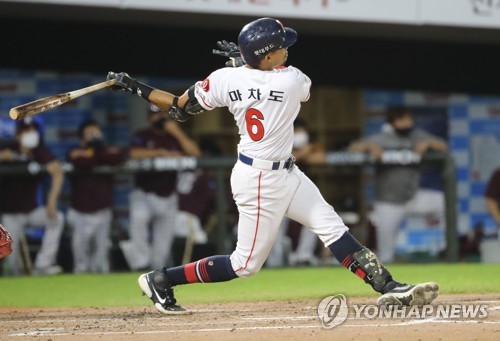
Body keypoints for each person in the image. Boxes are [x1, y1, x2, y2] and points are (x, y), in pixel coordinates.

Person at [107, 17, 439, 314]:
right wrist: (244, 63)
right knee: (244, 264)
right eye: (280, 48)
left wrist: (134, 85)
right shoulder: (292, 80)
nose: (287, 51)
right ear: (266, 57)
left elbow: (179, 107)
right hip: (260, 179)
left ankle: (389, 287)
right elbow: (268, 79)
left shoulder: (224, 79)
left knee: (333, 228)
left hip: (287, 173)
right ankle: (161, 279)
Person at [348, 106, 448, 263]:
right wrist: (369, 147)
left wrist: (428, 143)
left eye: (409, 119)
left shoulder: (417, 136)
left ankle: (447, 249)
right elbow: (353, 148)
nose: (408, 123)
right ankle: (387, 282)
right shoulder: (383, 138)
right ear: (393, 122)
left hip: (413, 196)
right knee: (385, 253)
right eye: (403, 120)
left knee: (445, 203)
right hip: (388, 201)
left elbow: (442, 145)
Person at [119, 104, 201, 271]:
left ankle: (157, 269)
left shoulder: (175, 138)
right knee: (139, 222)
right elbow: (133, 153)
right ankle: (141, 264)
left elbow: (196, 153)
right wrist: (162, 153)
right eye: (156, 116)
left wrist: (177, 132)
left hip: (169, 194)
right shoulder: (143, 135)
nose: (160, 120)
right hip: (144, 192)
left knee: (164, 237)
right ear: (149, 118)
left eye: (163, 116)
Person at [0, 118, 64, 276]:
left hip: (31, 211)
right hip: (10, 215)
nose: (32, 134)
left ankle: (43, 265)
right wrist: (3, 156)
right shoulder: (7, 148)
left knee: (57, 218)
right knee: (11, 265)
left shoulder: (39, 151)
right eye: (27, 131)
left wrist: (51, 201)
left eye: (33, 130)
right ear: (18, 134)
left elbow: (57, 172)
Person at [67, 119, 125, 273]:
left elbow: (117, 158)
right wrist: (96, 153)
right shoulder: (74, 149)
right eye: (90, 134)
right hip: (81, 211)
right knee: (80, 259)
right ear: (82, 137)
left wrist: (96, 152)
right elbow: (81, 161)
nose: (94, 136)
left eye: (96, 133)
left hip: (102, 210)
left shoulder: (106, 149)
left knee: (101, 256)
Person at [267, 118, 325, 267]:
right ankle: (275, 262)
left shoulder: (312, 145)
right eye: (297, 131)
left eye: (301, 131)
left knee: (313, 219)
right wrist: (302, 153)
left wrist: (303, 153)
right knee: (276, 229)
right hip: (279, 191)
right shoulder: (279, 143)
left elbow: (320, 158)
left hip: (301, 192)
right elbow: (286, 159)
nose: (300, 134)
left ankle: (303, 257)